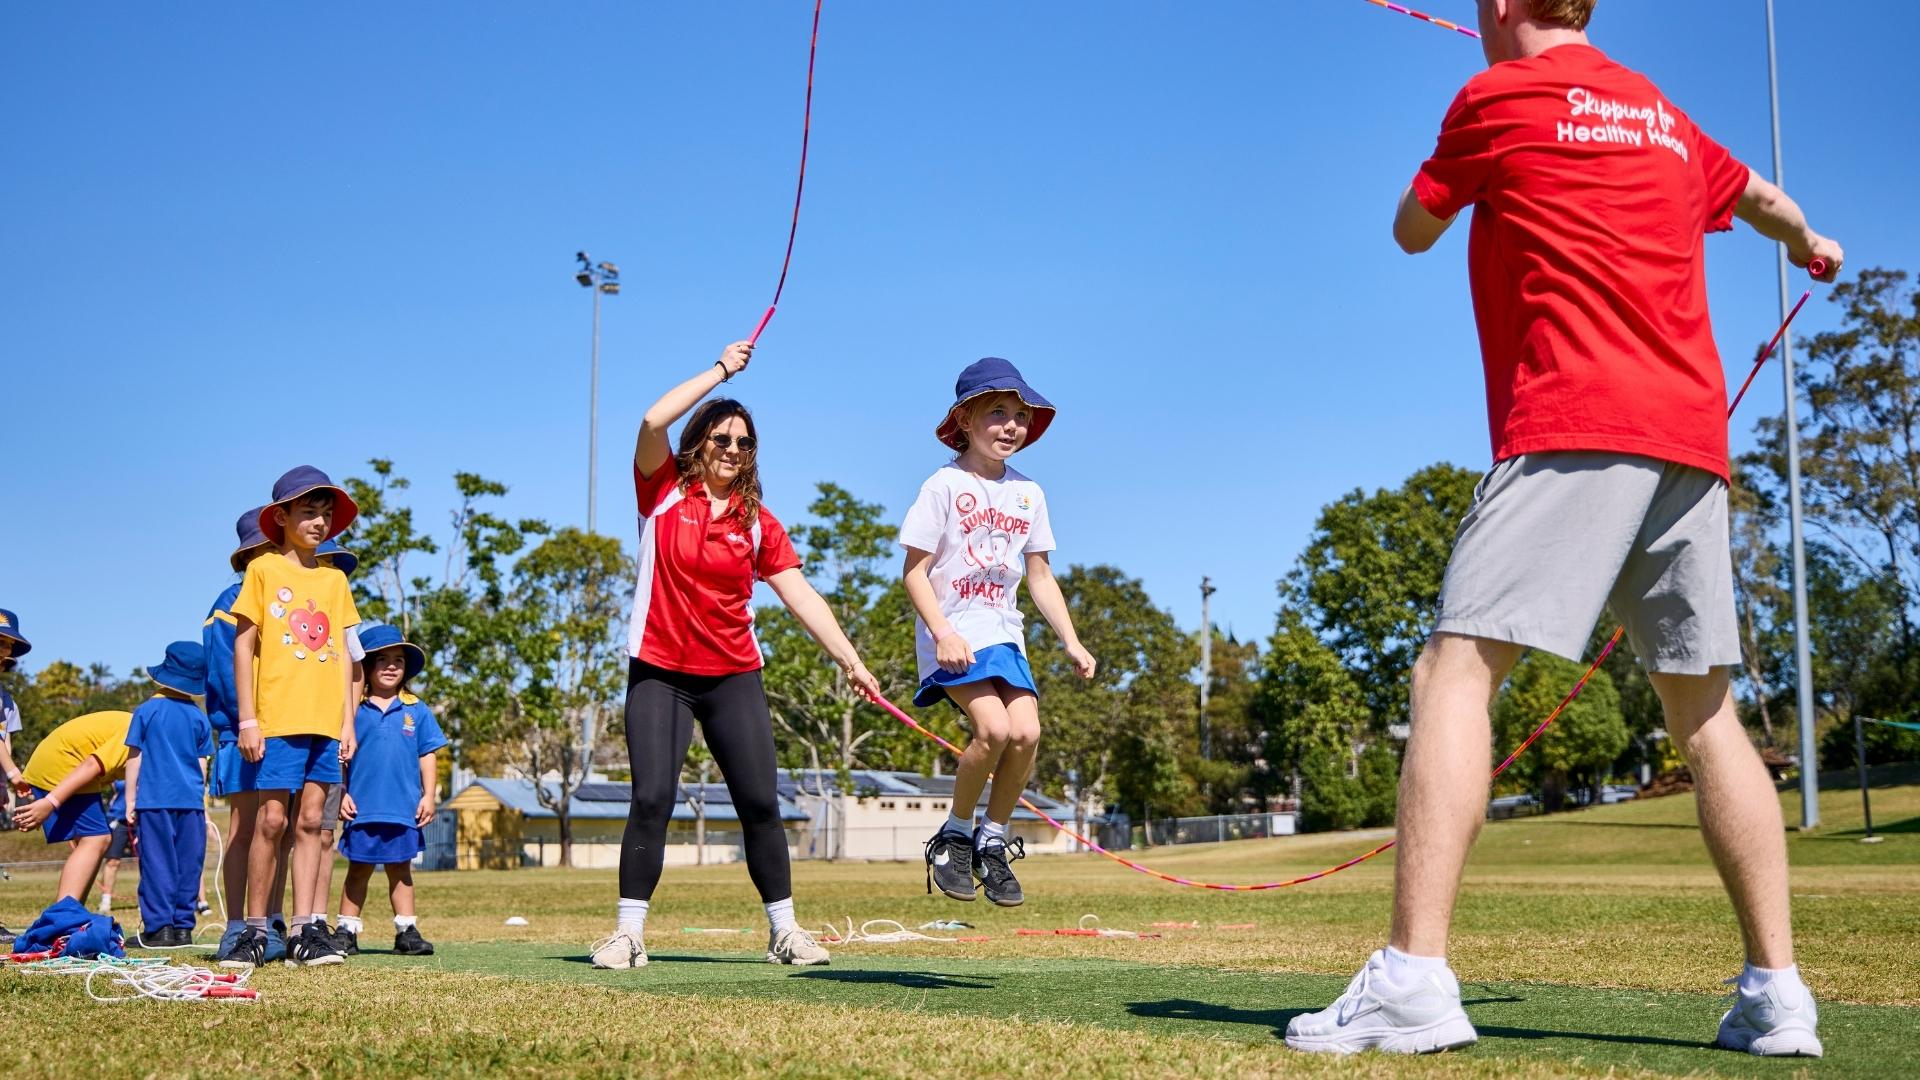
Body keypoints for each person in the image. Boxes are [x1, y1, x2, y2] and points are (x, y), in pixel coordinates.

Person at [1284, 0, 1843, 1058]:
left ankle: (1412, 979)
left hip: (1575, 423)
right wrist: (1810, 242)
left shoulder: (1494, 97)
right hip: (1689, 445)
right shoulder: (1666, 117)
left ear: (1501, 6)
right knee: (1706, 712)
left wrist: (1475, 160)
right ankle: (1778, 996)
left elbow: (1410, 229)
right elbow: (1767, 198)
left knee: (1453, 669)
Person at [590, 341, 881, 971]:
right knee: (652, 800)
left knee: (759, 804)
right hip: (660, 673)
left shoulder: (757, 521)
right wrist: (722, 371)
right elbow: (650, 421)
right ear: (699, 444)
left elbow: (801, 596)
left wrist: (851, 661)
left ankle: (785, 933)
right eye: (720, 438)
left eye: (743, 442)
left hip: (733, 676)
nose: (731, 449)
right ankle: (627, 934)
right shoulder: (662, 492)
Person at [904, 358, 1095, 907]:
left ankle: (991, 837)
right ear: (965, 419)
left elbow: (1040, 575)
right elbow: (913, 571)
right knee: (992, 730)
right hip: (955, 633)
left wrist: (1071, 640)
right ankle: (955, 834)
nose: (1011, 425)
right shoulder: (944, 485)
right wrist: (941, 631)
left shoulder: (1029, 493)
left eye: (1019, 416)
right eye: (997, 413)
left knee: (1027, 734)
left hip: (1003, 633)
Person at [225, 466, 364, 969]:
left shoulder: (334, 580)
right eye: (309, 512)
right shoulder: (262, 571)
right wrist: (247, 719)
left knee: (312, 822)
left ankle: (307, 931)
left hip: (326, 724)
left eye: (326, 514)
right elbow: (243, 646)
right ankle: (255, 932)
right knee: (271, 819)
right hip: (277, 719)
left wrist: (348, 723)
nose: (319, 522)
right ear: (281, 517)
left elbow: (348, 658)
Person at [208, 506, 291, 964]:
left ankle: (273, 921)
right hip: (244, 729)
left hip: (287, 730)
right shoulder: (229, 601)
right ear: (251, 553)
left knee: (276, 827)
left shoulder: (290, 596)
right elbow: (225, 671)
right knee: (243, 829)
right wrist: (246, 720)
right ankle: (237, 927)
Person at [334, 623, 444, 957]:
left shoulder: (416, 709)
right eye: (381, 659)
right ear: (364, 667)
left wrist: (428, 795)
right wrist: (341, 792)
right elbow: (339, 757)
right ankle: (346, 930)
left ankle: (406, 930)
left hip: (404, 809)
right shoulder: (351, 711)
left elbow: (427, 753)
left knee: (401, 870)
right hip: (362, 808)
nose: (391, 665)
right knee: (358, 869)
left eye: (398, 659)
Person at [124, 641, 215, 949]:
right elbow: (202, 765)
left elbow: (134, 757)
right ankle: (182, 928)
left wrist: (129, 801)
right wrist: (201, 800)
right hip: (190, 801)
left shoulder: (146, 711)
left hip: (154, 800)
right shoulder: (199, 717)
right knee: (189, 863)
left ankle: (158, 927)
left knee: (157, 862)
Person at [9, 710, 134, 906]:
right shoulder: (141, 734)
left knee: (95, 839)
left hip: (63, 763)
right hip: (63, 763)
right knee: (96, 838)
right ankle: (64, 921)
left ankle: (73, 917)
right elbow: (92, 764)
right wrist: (50, 802)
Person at [97, 781, 135, 914]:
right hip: (119, 819)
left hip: (143, 817)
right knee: (113, 861)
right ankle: (106, 900)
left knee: (148, 862)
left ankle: (147, 901)